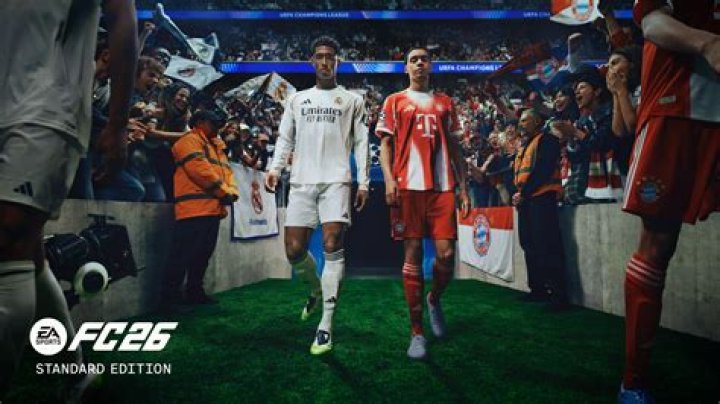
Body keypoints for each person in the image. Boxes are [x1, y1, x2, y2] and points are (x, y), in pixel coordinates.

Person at [0, 0, 138, 397]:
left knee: (8, 240)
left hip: (46, 103)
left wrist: (118, 122)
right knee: (29, 253)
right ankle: (76, 373)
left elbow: (122, 16)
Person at [619, 2, 720, 403]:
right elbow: (651, 21)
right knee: (657, 245)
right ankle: (633, 381)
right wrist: (706, 43)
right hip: (675, 110)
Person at [265, 36, 369, 356]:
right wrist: (275, 168)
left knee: (332, 244)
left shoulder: (352, 100)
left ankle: (326, 325)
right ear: (312, 61)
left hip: (337, 180)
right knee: (294, 250)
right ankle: (315, 288)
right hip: (302, 182)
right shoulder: (297, 99)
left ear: (338, 62)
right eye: (320, 56)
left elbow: (362, 142)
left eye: (330, 57)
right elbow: (285, 138)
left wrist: (364, 182)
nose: (325, 62)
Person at [376, 47, 470, 360]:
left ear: (431, 66)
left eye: (424, 59)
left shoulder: (446, 102)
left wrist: (464, 186)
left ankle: (433, 298)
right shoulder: (394, 100)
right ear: (406, 68)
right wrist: (389, 180)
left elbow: (455, 147)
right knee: (412, 252)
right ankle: (417, 332)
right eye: (413, 60)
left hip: (442, 186)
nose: (419, 63)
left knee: (447, 255)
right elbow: (385, 144)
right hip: (408, 185)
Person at [162, 110, 238, 307]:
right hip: (193, 209)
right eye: (213, 123)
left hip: (212, 209)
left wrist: (231, 192)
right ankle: (170, 299)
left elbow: (227, 172)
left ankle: (195, 292)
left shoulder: (216, 146)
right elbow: (199, 170)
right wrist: (225, 192)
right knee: (182, 255)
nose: (218, 127)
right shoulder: (189, 140)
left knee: (202, 255)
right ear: (200, 122)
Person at [512, 109, 567, 307]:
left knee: (547, 245)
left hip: (543, 199)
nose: (521, 124)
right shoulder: (524, 146)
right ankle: (538, 289)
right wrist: (519, 194)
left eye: (525, 120)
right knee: (529, 245)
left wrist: (523, 193)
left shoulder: (548, 140)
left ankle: (559, 294)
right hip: (527, 201)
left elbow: (543, 170)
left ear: (536, 121)